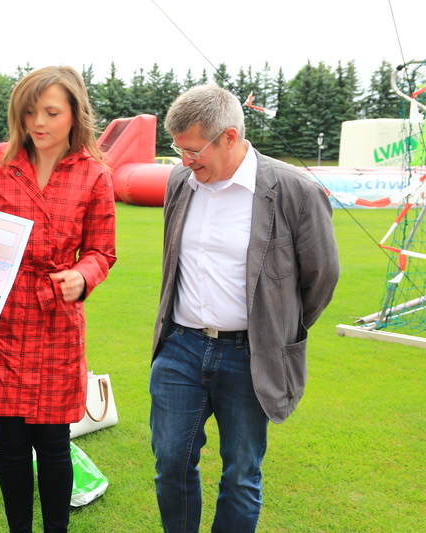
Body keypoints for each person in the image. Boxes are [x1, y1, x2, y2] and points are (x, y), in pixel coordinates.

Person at [149, 84, 340, 533]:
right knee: (170, 464)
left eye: (193, 150)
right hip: (180, 348)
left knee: (241, 474)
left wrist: (277, 329)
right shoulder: (179, 182)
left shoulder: (295, 190)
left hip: (251, 356)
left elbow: (321, 277)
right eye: (178, 149)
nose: (184, 161)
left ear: (230, 137)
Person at [0, 66, 117, 533]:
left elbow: (102, 251)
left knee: (53, 442)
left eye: (51, 112)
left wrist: (82, 276)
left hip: (56, 321)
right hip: (3, 316)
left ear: (75, 114)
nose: (38, 123)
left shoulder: (94, 174)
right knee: (9, 443)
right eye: (29, 113)